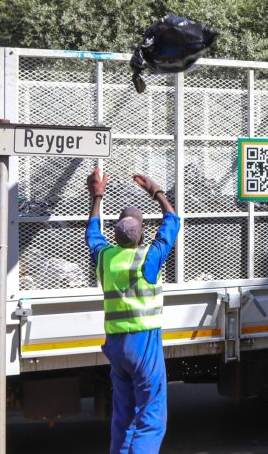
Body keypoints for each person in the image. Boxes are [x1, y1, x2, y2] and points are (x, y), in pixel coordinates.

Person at [85, 167, 180, 454]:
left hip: (116, 347)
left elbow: (92, 232)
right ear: (142, 236)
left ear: (115, 237)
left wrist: (97, 197)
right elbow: (172, 222)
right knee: (151, 417)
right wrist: (157, 191)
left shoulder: (105, 258)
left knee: (124, 414)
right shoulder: (147, 261)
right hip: (144, 346)